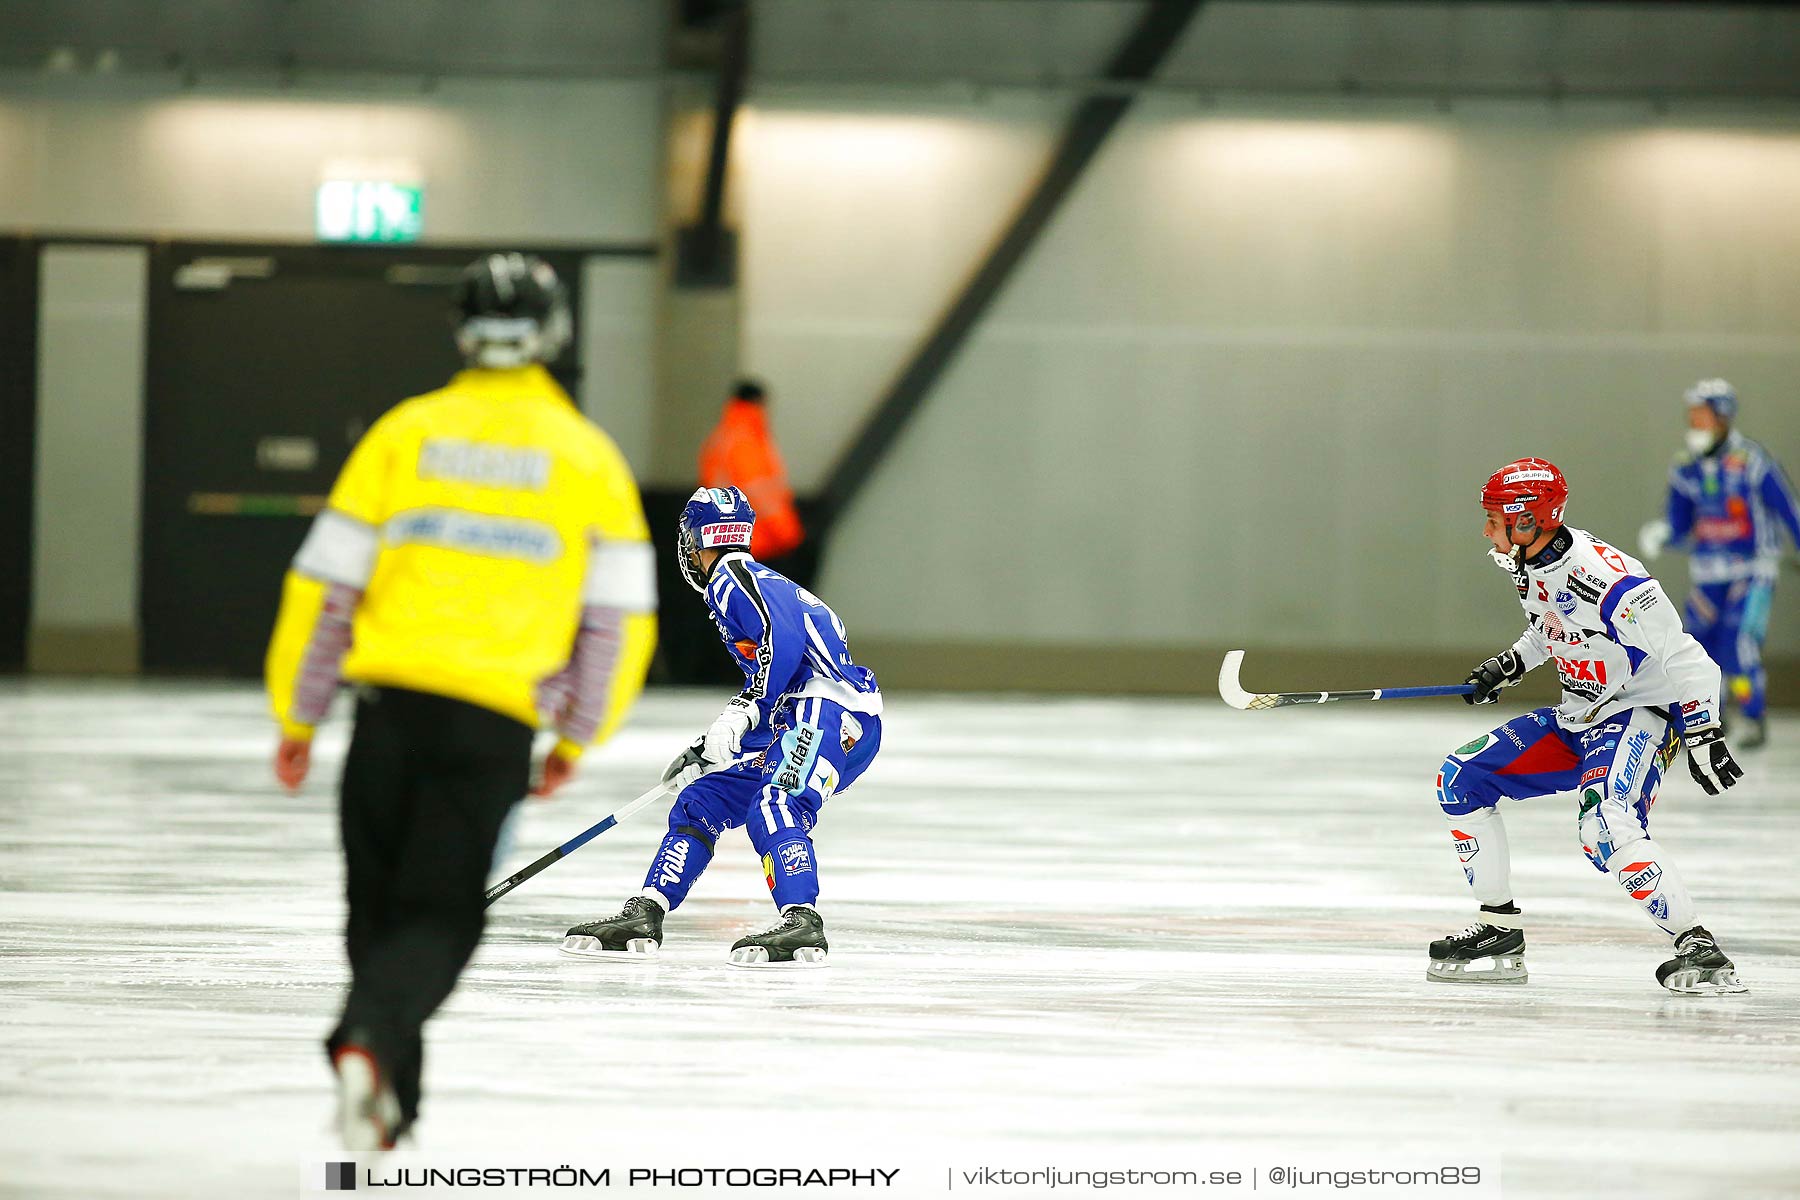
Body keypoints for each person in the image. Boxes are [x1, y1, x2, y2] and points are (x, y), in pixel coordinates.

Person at [264, 253, 657, 1149]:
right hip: (491, 724)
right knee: (441, 912)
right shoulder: (587, 458)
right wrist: (574, 736)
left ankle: (389, 1094)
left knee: (376, 910)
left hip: (388, 711)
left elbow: (326, 586)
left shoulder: (406, 434)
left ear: (462, 331)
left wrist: (299, 712)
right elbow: (618, 619)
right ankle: (369, 1050)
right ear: (553, 336)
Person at [1429, 458, 1746, 995]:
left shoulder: (1611, 581)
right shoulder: (1530, 565)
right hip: (1579, 716)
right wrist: (1508, 664)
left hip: (1636, 715)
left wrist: (1703, 734)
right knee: (1460, 779)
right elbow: (1551, 630)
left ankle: (1698, 944)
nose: (1486, 531)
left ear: (1527, 521)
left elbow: (1687, 657)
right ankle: (1499, 929)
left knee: (1605, 827)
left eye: (1494, 520)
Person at [562, 485, 881, 968]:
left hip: (830, 710)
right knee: (704, 798)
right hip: (814, 716)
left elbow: (786, 644)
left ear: (693, 539)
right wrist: (713, 746)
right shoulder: (751, 580)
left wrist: (743, 709)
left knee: (777, 802)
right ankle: (647, 910)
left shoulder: (730, 578)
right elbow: (782, 679)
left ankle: (802, 919)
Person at [1639, 379, 1800, 748]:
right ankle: (1710, 716)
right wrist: (1663, 532)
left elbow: (1788, 510)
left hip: (1752, 571)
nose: (1695, 425)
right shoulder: (1685, 467)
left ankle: (1754, 716)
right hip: (1707, 573)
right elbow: (1680, 522)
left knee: (1738, 643)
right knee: (1695, 646)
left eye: (1703, 416)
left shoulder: (1752, 462)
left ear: (1723, 418)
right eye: (1691, 417)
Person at [698, 379, 805, 562]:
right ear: (760, 402)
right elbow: (760, 492)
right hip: (759, 540)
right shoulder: (747, 440)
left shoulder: (722, 437)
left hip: (727, 537)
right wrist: (787, 533)